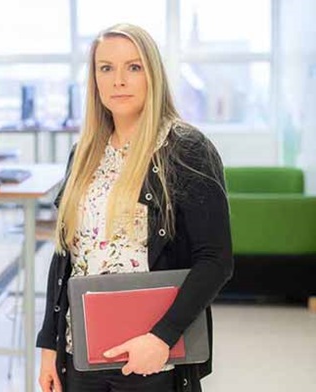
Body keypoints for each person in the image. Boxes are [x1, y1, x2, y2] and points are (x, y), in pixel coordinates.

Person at [36, 23, 233, 392]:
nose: (119, 80)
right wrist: (49, 344)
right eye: (106, 68)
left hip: (151, 355)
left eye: (134, 67)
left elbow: (216, 260)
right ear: (94, 79)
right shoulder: (83, 155)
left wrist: (161, 338)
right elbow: (65, 256)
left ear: (152, 74)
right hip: (82, 351)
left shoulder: (186, 150)